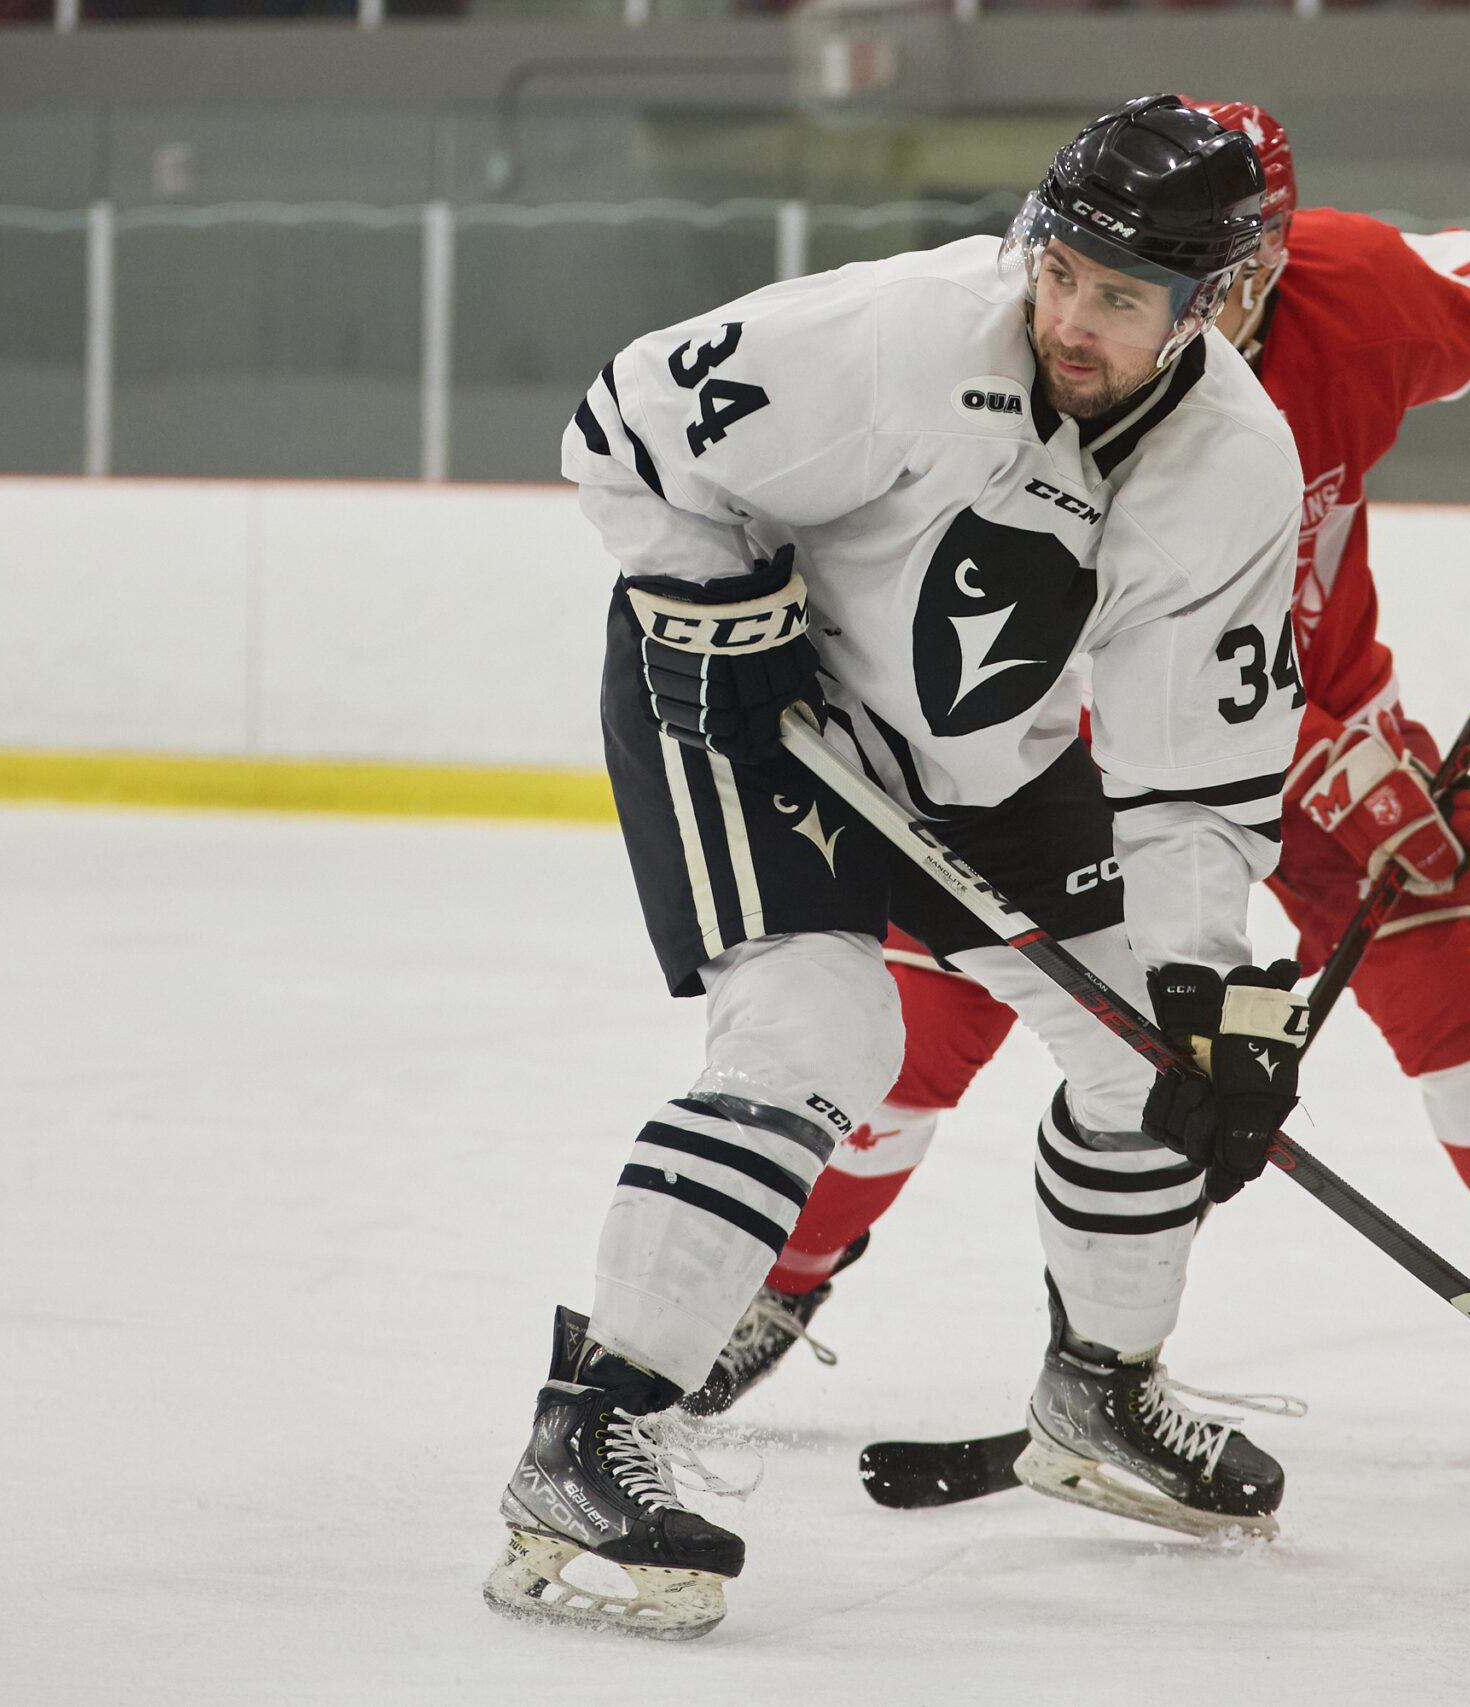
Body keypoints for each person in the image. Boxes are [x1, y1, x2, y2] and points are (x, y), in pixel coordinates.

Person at [687, 99, 1470, 1438]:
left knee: (1444, 960)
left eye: (1239, 277)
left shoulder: (1352, 289)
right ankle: (781, 1283)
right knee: (918, 1026)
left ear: (1270, 256)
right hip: (1066, 749)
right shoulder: (1037, 359)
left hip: (1321, 715)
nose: (1210, 307)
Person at [482, 96, 1315, 1640]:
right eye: (1061, 268)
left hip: (981, 767)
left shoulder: (1237, 469)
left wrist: (1203, 989)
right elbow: (620, 426)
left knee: (1149, 1060)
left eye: (1123, 298)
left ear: (1225, 304)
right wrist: (718, 601)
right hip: (751, 697)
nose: (1067, 315)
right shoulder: (908, 334)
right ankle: (589, 1428)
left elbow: (1194, 774)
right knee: (823, 1027)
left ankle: (1097, 1394)